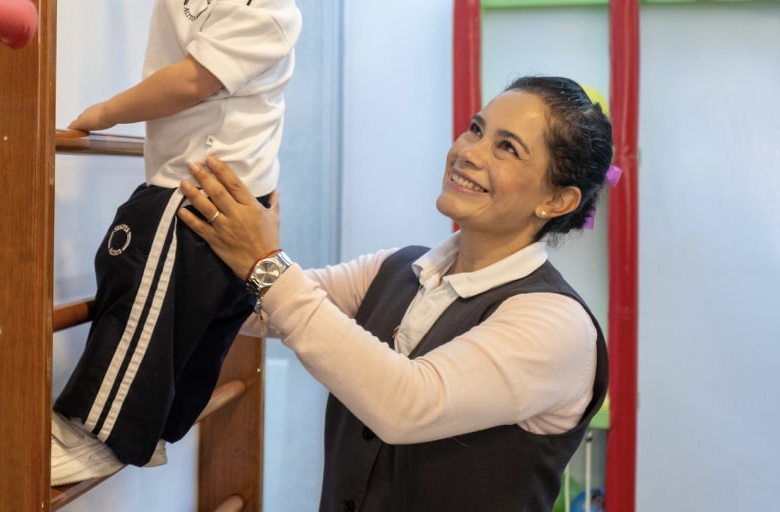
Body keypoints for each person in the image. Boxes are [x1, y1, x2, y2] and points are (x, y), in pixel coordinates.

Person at [50, 0, 340, 485]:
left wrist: (108, 110)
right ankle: (152, 429)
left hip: (206, 190)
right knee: (190, 324)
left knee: (136, 281)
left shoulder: (268, 6)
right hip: (233, 189)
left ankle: (99, 433)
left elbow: (191, 81)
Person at [178, 75, 614, 512]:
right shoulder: (397, 268)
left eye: (507, 147)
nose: (468, 152)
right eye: (476, 129)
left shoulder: (558, 326)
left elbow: (407, 403)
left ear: (557, 201)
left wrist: (266, 263)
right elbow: (262, 309)